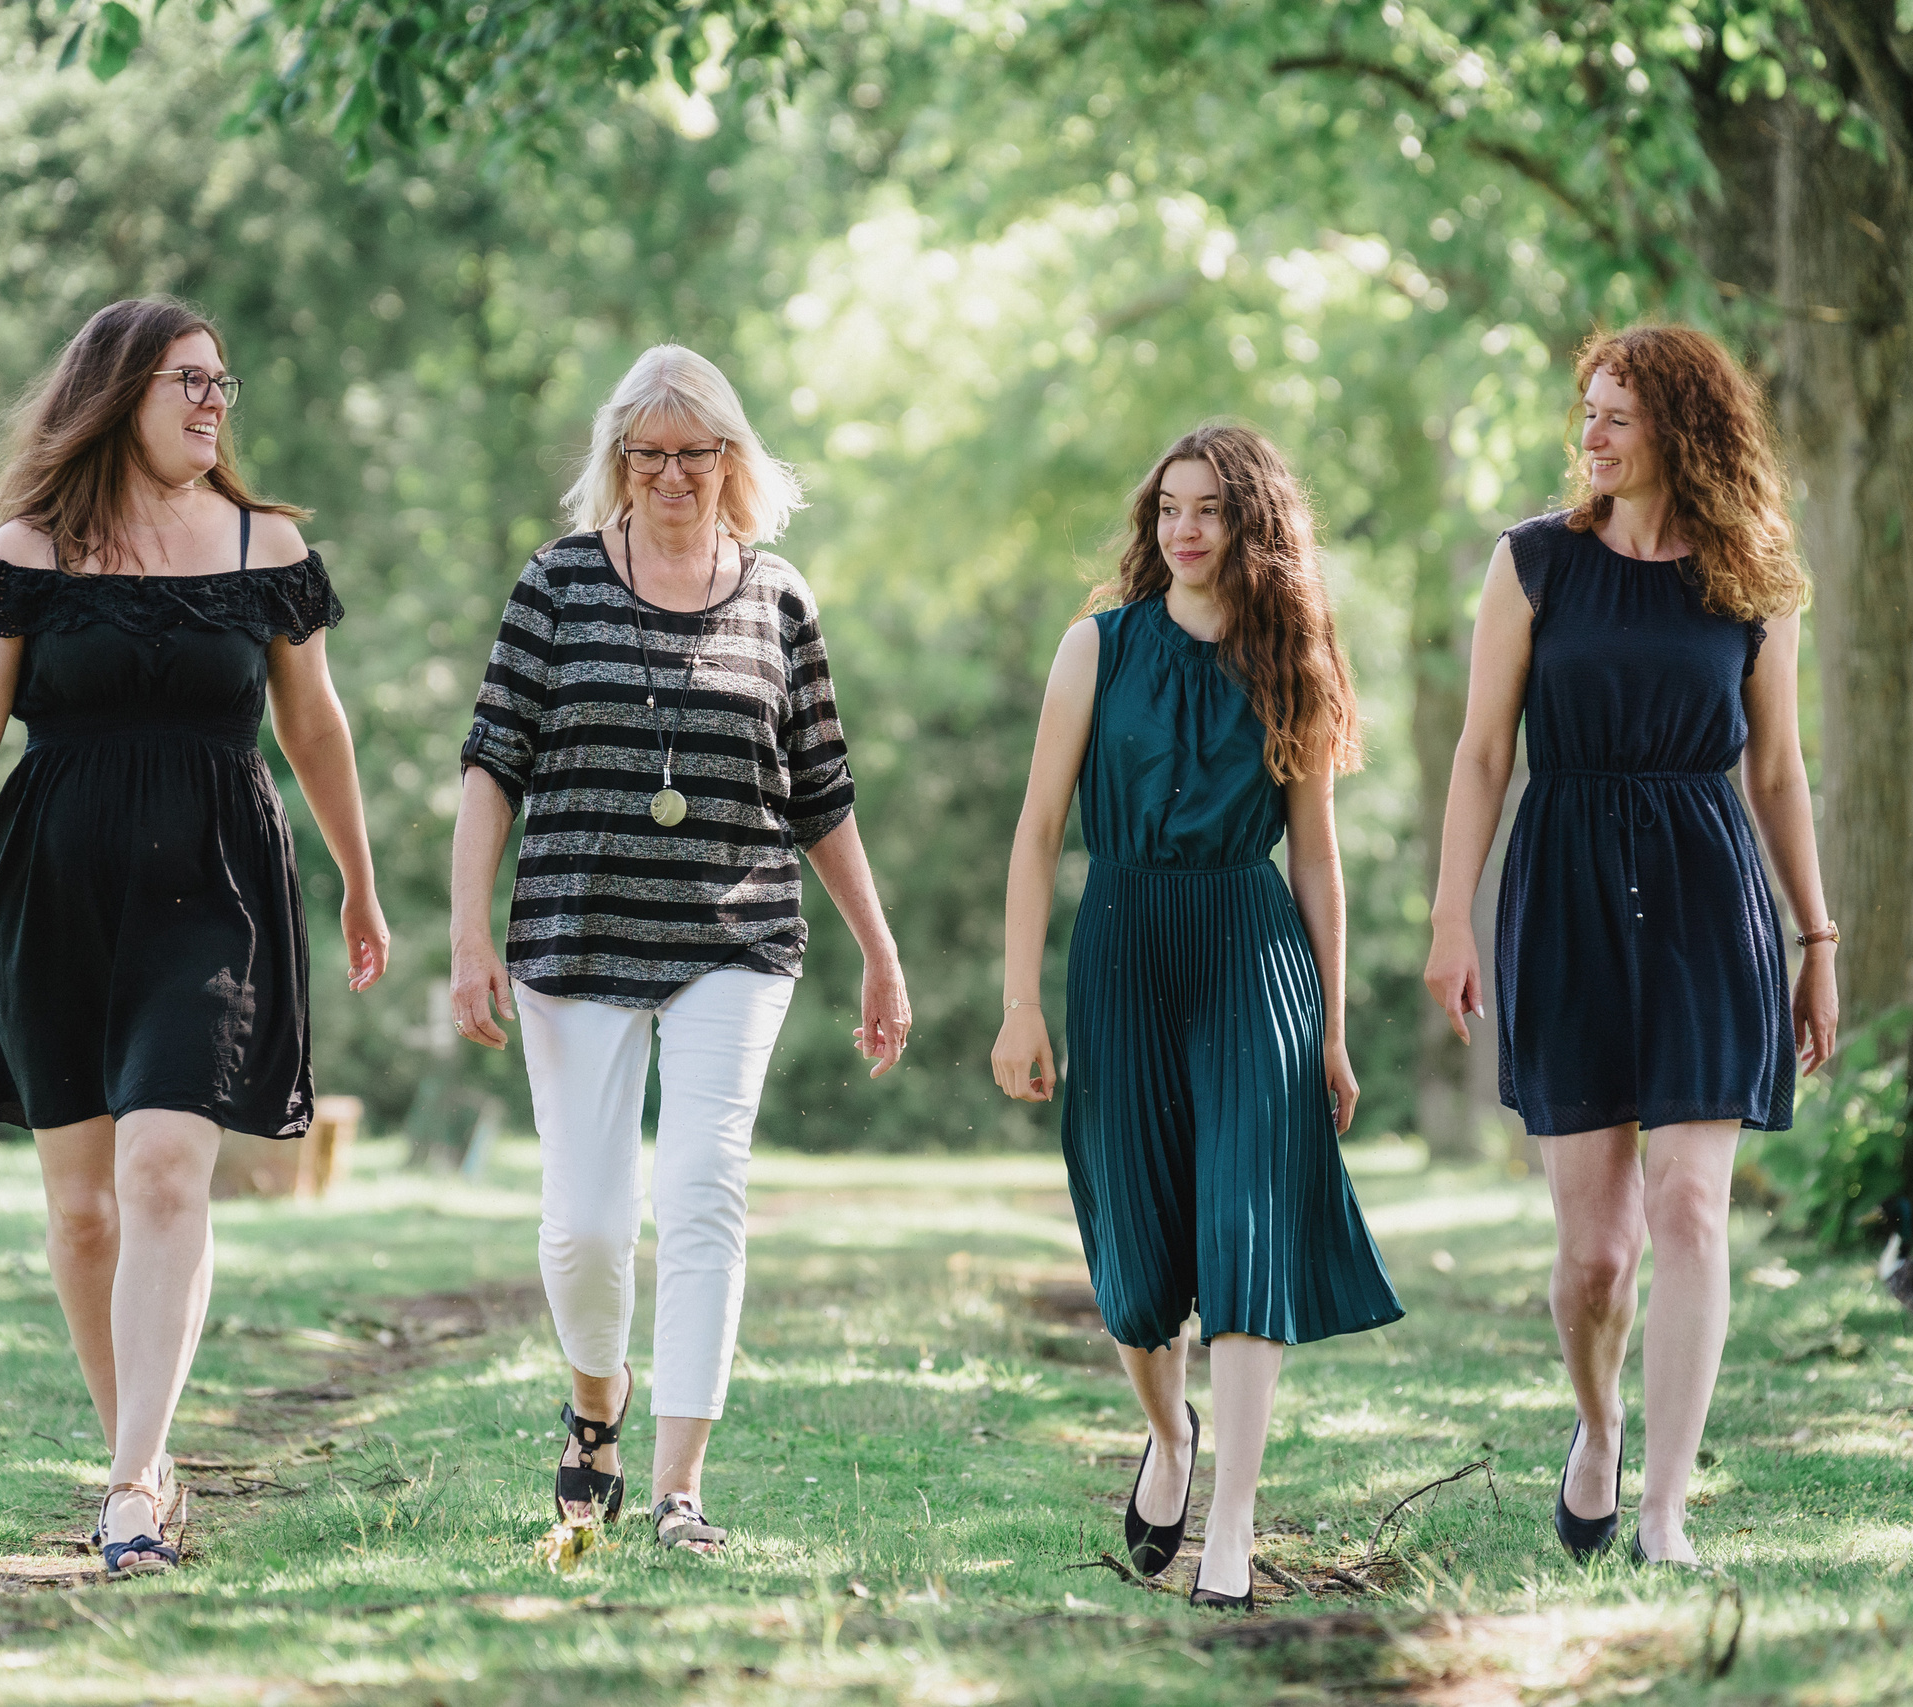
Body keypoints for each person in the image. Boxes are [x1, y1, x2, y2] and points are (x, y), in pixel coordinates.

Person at [0, 297, 388, 1578]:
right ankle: (141, 1445)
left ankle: (132, 1483)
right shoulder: (25, 550)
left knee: (167, 1169)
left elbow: (317, 730)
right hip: (52, 891)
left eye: (222, 384)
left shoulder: (266, 544)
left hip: (214, 886)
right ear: (118, 389)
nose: (212, 402)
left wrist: (359, 878)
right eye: (188, 379)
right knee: (80, 1213)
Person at [449, 344, 908, 1556]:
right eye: (645, 455)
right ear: (617, 462)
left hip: (735, 935)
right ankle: (595, 1403)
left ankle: (678, 1487)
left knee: (704, 1189)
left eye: (691, 454)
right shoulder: (553, 586)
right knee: (589, 1223)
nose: (668, 476)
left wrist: (880, 949)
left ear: (730, 461)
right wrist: (465, 937)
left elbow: (820, 790)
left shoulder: (778, 597)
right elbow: (491, 766)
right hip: (576, 930)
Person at [1422, 324, 1839, 1570]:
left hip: (1712, 895)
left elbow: (1775, 771)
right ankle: (1596, 1428)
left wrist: (1817, 936)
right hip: (1563, 889)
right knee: (1596, 1253)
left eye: (1618, 415)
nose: (1590, 433)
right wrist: (1454, 915)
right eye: (1586, 411)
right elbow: (1484, 752)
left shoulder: (1752, 578)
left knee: (1691, 1207)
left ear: (1683, 432)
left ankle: (1663, 1509)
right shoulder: (1534, 563)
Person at [991, 423, 1404, 1608]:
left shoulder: (1293, 659)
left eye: (1210, 509)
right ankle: (1168, 1436)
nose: (1184, 528)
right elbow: (1034, 832)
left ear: (1252, 526)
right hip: (1120, 948)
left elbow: (1317, 862)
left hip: (1249, 953)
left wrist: (1327, 1025)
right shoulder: (1097, 648)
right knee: (1133, 1252)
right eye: (1169, 506)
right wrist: (1020, 1004)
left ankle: (1232, 1522)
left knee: (1243, 1236)